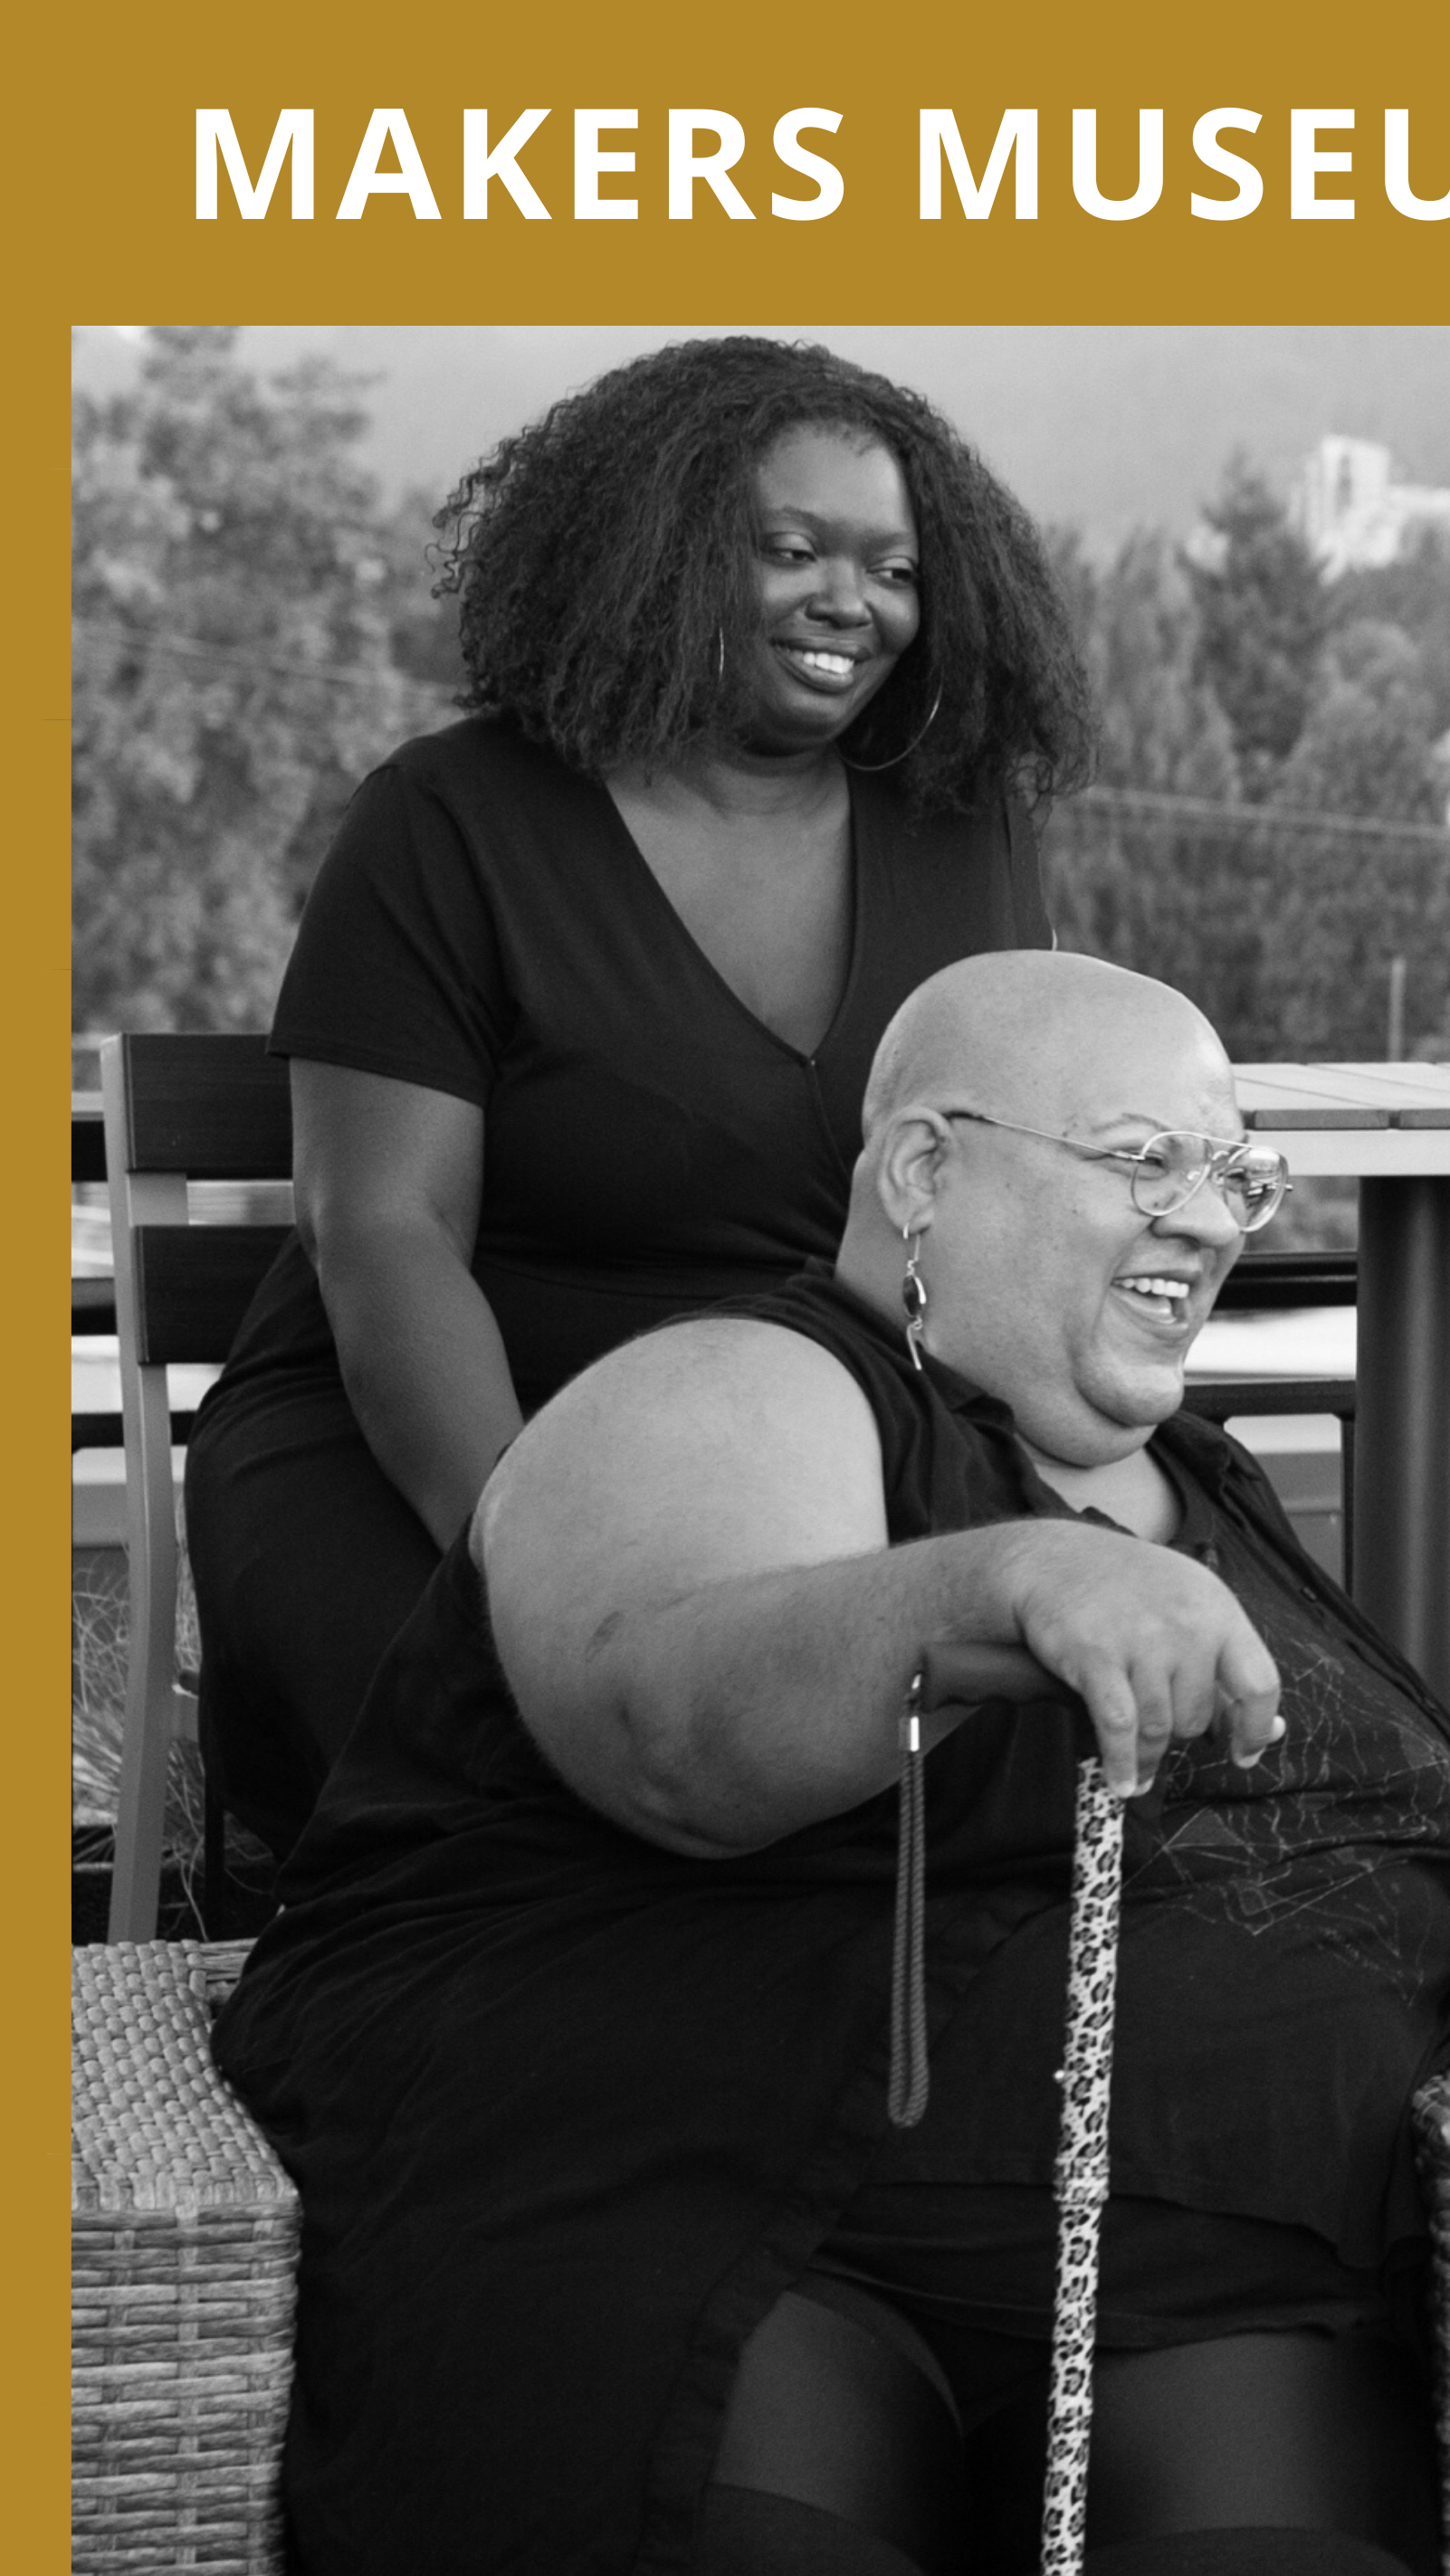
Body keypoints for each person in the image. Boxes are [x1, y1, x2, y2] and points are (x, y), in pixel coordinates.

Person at [214, 955, 1450, 2576]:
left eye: (1234, 1175)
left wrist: (1448, 1887)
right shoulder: (752, 1382)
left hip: (1208, 2282)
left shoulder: (1194, 1479)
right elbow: (670, 1723)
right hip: (762, 2232)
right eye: (1144, 1159)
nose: (1213, 1221)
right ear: (926, 1168)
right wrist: (993, 1585)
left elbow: (1244, 1775)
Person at [182, 336, 1092, 1863]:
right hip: (438, 1445)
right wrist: (536, 1557)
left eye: (892, 567)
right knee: (539, 1787)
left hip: (808, 1456)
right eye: (789, 549)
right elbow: (383, 1233)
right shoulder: (451, 819)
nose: (846, 603)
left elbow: (1012, 1193)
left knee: (984, 1769)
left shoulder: (965, 836)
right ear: (657, 555)